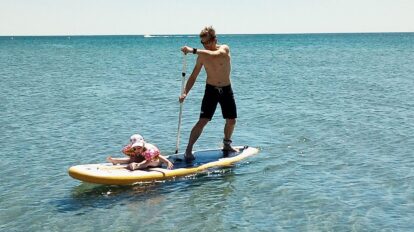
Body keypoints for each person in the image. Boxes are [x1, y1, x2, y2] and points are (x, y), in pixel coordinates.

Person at [180, 26, 238, 161]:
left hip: (226, 89)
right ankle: (188, 150)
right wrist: (185, 93)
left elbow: (215, 55)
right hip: (211, 90)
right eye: (202, 43)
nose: (205, 45)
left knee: (231, 120)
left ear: (214, 39)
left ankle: (226, 145)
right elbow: (194, 76)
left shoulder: (224, 49)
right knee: (203, 121)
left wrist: (193, 50)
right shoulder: (202, 56)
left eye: (207, 42)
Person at [107, 134, 173, 170]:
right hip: (144, 157)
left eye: (139, 147)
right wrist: (133, 160)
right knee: (133, 159)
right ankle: (116, 161)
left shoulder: (149, 149)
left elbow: (158, 156)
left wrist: (167, 162)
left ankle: (136, 166)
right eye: (135, 148)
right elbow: (132, 158)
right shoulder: (132, 148)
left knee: (147, 162)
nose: (137, 149)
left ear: (143, 144)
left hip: (155, 160)